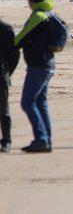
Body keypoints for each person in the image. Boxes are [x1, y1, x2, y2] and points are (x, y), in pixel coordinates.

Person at [15, 0, 58, 153]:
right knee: (41, 102)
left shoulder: (38, 16)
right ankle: (46, 141)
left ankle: (41, 139)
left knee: (27, 102)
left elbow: (19, 40)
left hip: (39, 66)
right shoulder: (49, 13)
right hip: (47, 64)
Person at [0, 19, 20, 153]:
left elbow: (14, 55)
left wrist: (6, 72)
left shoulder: (5, 29)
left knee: (3, 109)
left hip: (1, 74)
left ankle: (6, 140)